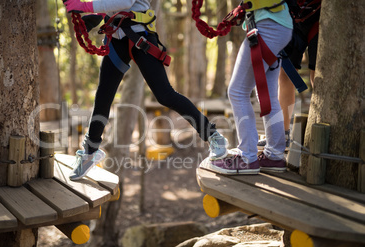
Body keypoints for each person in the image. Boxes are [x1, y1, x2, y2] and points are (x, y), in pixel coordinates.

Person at [62, 0, 228, 180]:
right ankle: (90, 152)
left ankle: (213, 136)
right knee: (103, 98)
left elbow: (125, 1)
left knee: (165, 95)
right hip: (116, 39)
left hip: (139, 37)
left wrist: (85, 6)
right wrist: (98, 16)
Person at [208, 1, 293, 175]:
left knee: (237, 91)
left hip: (268, 25)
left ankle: (247, 157)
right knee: (267, 95)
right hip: (279, 24)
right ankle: (275, 156)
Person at [257, 0, 321, 150]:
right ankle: (282, 134)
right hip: (290, 16)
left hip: (318, 16)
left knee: (317, 75)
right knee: (285, 73)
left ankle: (322, 128)